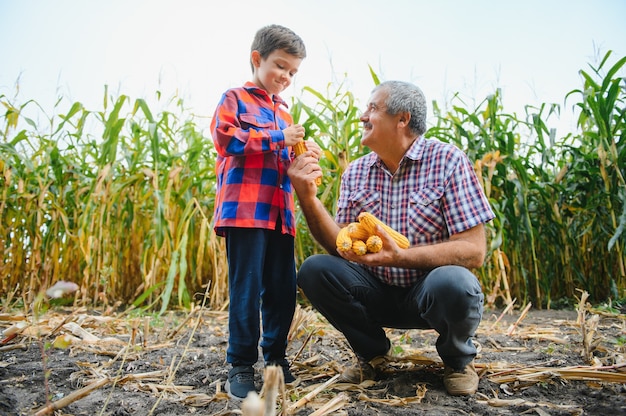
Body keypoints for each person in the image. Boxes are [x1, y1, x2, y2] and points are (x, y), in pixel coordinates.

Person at [287, 80, 495, 396]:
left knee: (457, 283)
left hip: (429, 292)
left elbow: (473, 251)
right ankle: (373, 354)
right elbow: (340, 245)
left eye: (372, 108)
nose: (361, 116)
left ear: (402, 119)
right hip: (374, 290)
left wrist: (400, 256)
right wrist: (307, 196)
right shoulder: (355, 172)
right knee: (316, 270)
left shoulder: (448, 162)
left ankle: (457, 360)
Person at [210, 24, 320, 400]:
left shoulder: (286, 114)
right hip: (244, 211)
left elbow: (285, 159)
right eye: (280, 66)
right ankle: (240, 364)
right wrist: (277, 138)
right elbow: (225, 140)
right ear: (257, 59)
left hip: (279, 214)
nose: (286, 77)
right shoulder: (236, 98)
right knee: (246, 289)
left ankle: (275, 360)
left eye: (293, 72)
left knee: (282, 290)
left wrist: (302, 155)